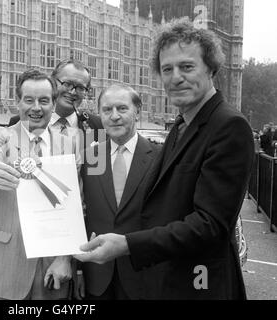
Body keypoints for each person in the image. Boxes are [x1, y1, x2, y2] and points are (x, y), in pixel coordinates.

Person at [75, 18, 254, 300]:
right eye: (167, 69)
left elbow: (209, 225)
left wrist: (127, 244)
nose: (175, 77)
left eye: (187, 66)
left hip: (200, 283)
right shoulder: (182, 126)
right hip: (164, 278)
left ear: (212, 68)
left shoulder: (228, 126)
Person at [0, 69, 79, 300]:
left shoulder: (71, 145)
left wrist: (65, 258)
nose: (36, 107)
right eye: (29, 100)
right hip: (0, 267)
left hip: (51, 272)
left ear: (54, 103)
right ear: (18, 102)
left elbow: (76, 207)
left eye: (44, 100)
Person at [79, 84, 160, 300]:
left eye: (122, 109)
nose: (114, 116)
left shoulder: (161, 158)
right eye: (107, 110)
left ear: (137, 111)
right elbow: (79, 213)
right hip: (96, 277)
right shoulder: (88, 158)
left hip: (143, 275)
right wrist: (78, 268)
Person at [8, 59, 103, 139]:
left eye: (80, 88)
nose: (72, 92)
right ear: (53, 82)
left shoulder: (98, 126)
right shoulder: (21, 122)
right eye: (67, 84)